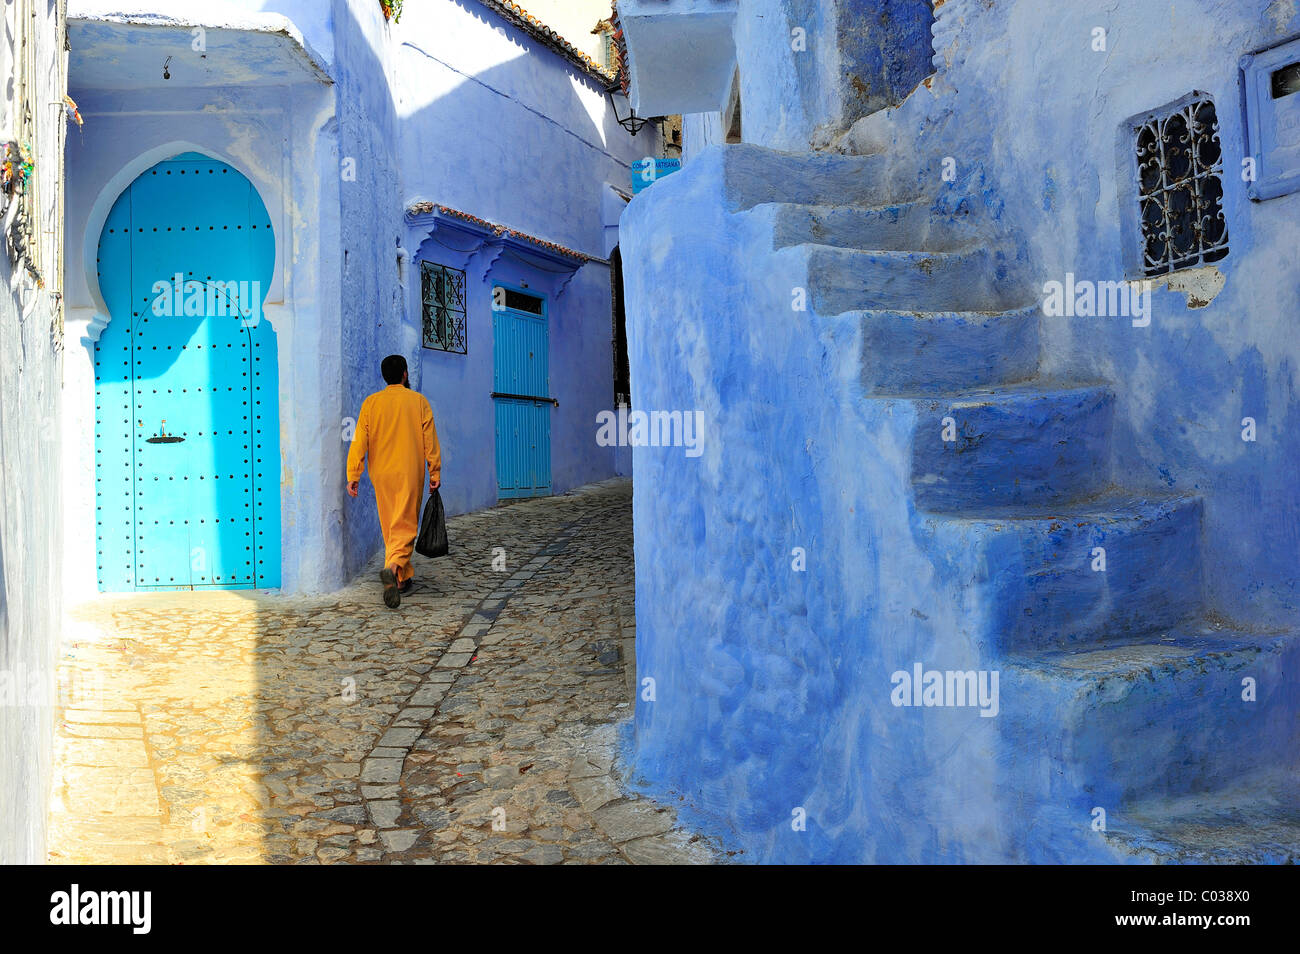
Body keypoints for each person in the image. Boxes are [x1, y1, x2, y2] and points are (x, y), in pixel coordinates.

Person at [346, 355, 441, 608]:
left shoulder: (371, 403)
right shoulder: (418, 402)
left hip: (381, 473)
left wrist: (353, 474)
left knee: (391, 524)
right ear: (405, 374)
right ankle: (393, 566)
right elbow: (429, 440)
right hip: (409, 470)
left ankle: (400, 580)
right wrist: (435, 472)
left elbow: (359, 442)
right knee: (407, 523)